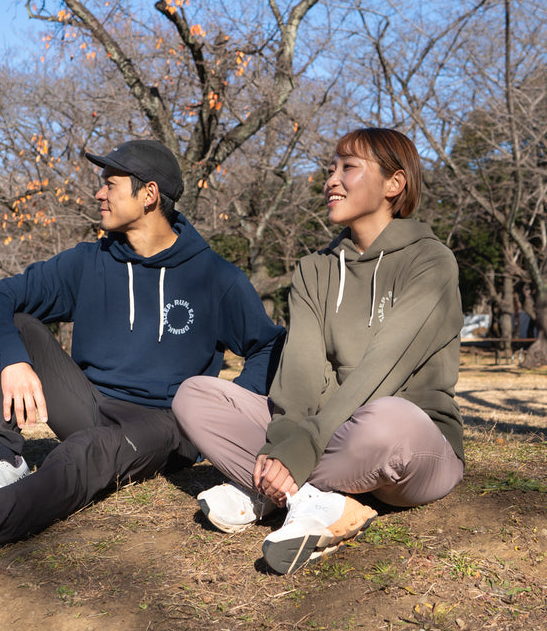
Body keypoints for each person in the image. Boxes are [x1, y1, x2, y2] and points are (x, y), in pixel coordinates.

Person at [0, 139, 285, 587]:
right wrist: (13, 361)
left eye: (110, 184)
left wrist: (230, 405)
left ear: (149, 195)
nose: (98, 194)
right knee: (21, 324)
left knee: (84, 454)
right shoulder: (89, 262)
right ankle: (1, 459)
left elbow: (266, 345)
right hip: (89, 404)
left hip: (165, 424)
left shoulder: (215, 277)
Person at [172, 127, 464, 575]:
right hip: (328, 433)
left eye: (348, 167)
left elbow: (382, 370)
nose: (331, 179)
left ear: (394, 184)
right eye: (330, 168)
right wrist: (286, 441)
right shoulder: (314, 270)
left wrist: (299, 449)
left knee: (387, 421)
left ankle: (269, 490)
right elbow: (300, 378)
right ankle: (310, 501)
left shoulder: (431, 262)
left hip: (408, 438)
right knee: (195, 395)